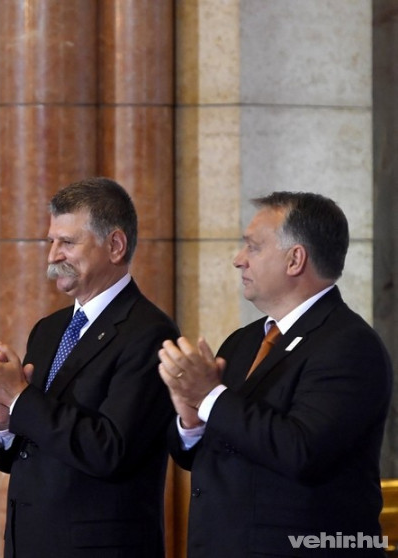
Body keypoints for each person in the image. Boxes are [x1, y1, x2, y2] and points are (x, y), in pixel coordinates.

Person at [159, 192, 393, 557]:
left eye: (252, 247)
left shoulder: (349, 345)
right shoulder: (242, 342)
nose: (238, 260)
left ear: (295, 259)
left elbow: (301, 450)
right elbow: (203, 457)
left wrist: (210, 397)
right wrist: (192, 421)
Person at [0, 177, 178, 558]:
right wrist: (3, 418)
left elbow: (110, 449)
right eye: (51, 242)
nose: (52, 256)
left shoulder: (149, 332)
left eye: (67, 242)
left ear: (115, 245)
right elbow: (14, 457)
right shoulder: (48, 330)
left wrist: (19, 397)